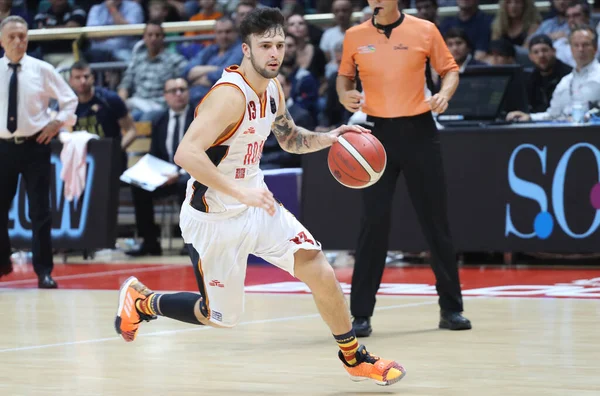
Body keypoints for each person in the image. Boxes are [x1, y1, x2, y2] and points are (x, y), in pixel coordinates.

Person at [114, 7, 406, 387]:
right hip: (213, 218)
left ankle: (354, 358)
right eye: (265, 45)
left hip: (257, 204)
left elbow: (288, 137)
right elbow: (185, 154)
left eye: (280, 45)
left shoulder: (272, 88)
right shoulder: (229, 96)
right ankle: (143, 301)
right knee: (217, 316)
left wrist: (328, 139)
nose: (274, 53)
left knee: (318, 267)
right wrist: (239, 192)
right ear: (246, 49)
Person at [336, 0, 472, 337]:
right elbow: (344, 79)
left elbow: (450, 69)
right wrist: (344, 96)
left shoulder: (424, 30)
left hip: (420, 133)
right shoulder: (355, 35)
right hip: (377, 136)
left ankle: (451, 309)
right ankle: (361, 315)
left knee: (435, 222)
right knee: (373, 224)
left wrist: (445, 93)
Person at [0, 15, 78, 288]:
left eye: (22, 36)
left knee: (40, 211)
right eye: (12, 36)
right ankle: (2, 263)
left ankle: (44, 271)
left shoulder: (41, 69)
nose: (18, 41)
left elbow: (70, 100)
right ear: (2, 40)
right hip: (3, 148)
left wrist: (57, 122)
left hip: (36, 146)